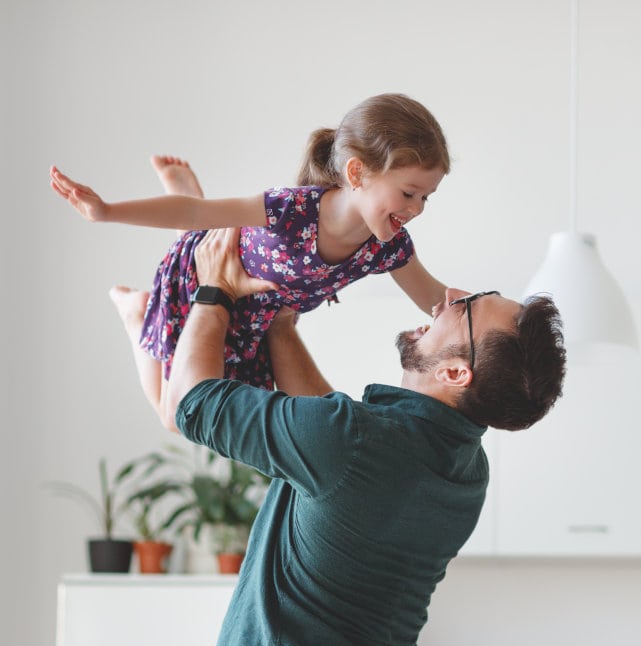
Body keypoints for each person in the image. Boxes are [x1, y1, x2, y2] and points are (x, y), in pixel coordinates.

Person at [164, 226, 566, 646]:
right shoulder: (463, 469)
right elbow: (330, 443)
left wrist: (214, 291)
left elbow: (190, 401)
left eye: (468, 308)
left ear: (456, 372)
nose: (450, 296)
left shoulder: (353, 442)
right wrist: (280, 325)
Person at [49, 93, 450, 430]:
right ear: (357, 172)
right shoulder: (292, 210)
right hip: (201, 282)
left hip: (253, 322)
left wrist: (505, 317)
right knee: (175, 418)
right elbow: (192, 212)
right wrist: (105, 210)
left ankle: (192, 226)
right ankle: (136, 313)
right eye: (409, 193)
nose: (417, 209)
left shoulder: (388, 247)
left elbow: (437, 298)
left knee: (207, 416)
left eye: (426, 198)